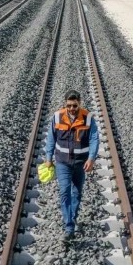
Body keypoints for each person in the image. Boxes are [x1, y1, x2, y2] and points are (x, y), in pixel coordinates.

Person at [44, 90, 99, 241]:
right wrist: (48, 158)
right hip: (62, 162)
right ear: (65, 104)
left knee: (77, 193)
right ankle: (69, 227)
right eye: (69, 105)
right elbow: (51, 138)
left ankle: (73, 217)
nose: (72, 108)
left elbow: (94, 139)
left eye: (74, 105)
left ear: (79, 103)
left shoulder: (88, 118)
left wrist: (91, 159)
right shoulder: (57, 117)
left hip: (80, 163)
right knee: (64, 192)